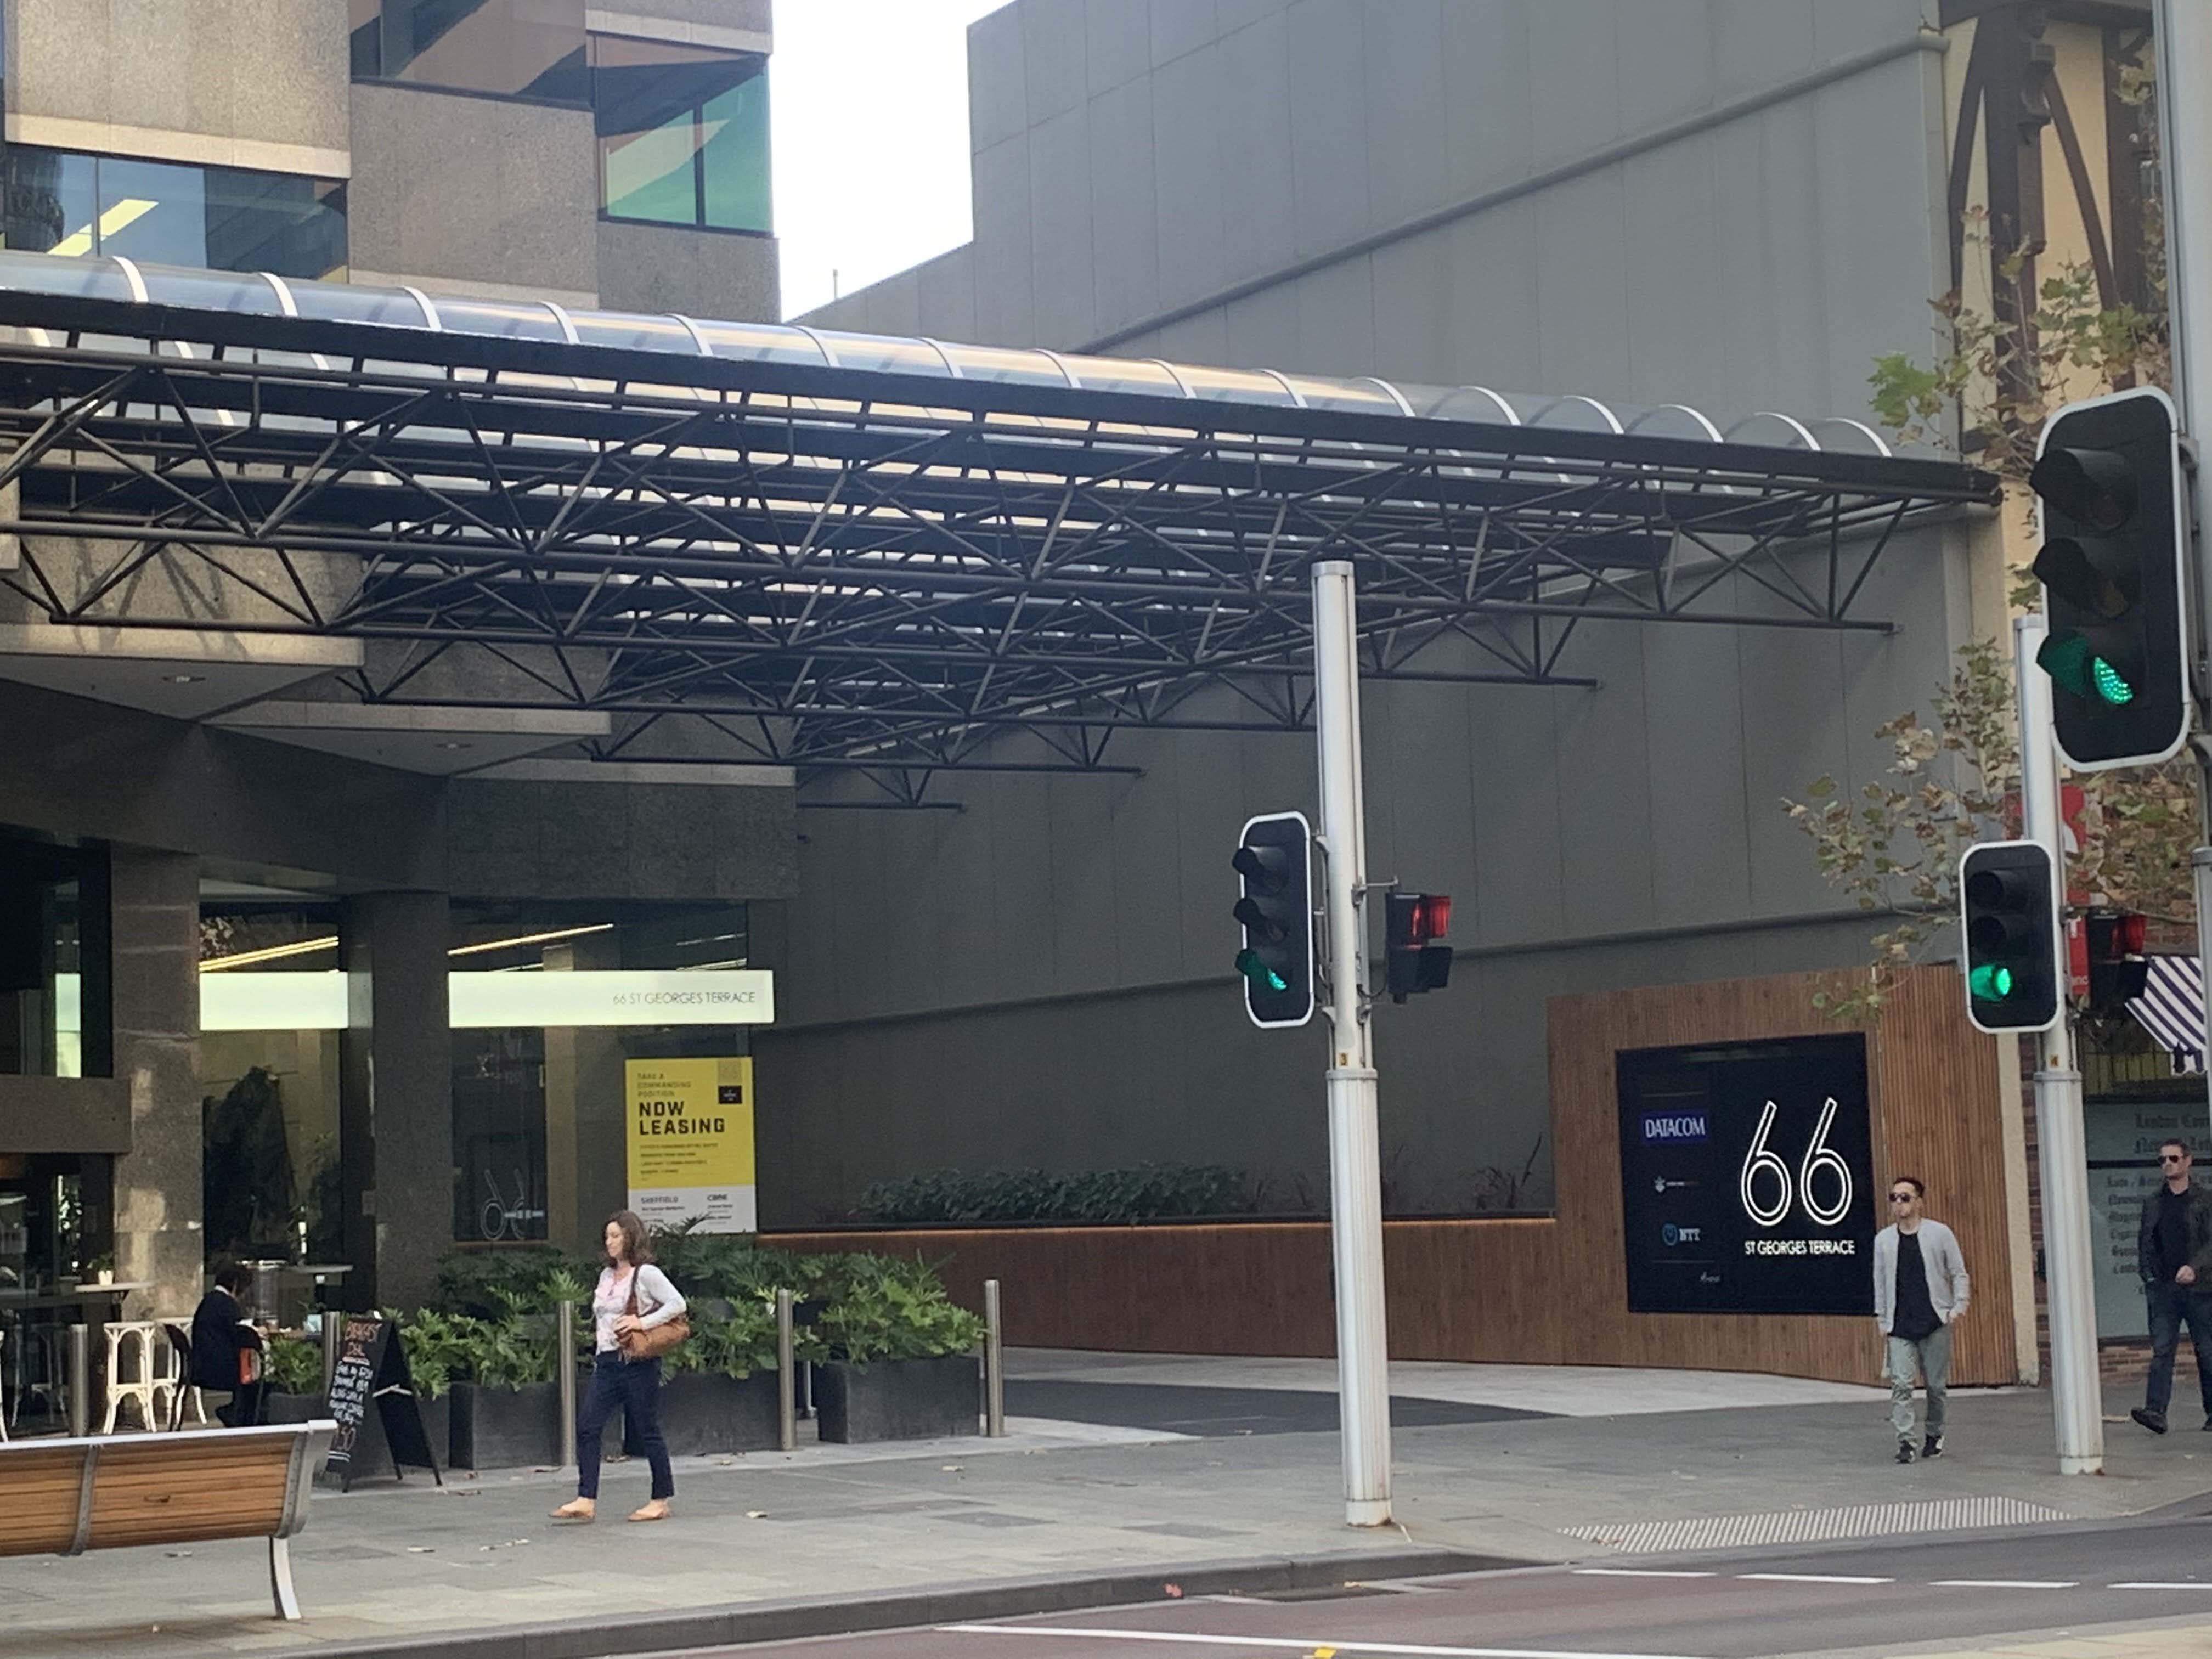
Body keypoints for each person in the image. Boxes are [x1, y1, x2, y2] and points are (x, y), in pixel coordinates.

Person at [551, 1211, 686, 1522]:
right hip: (607, 1361)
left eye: (616, 1236)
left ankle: (660, 1499)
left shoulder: (646, 1273)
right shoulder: (605, 1275)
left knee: (647, 1429)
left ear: (630, 1237)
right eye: (607, 1237)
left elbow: (677, 1304)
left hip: (637, 1362)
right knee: (588, 1426)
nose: (610, 1242)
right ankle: (586, 1498)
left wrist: (641, 1322)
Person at [1871, 1177, 1970, 1463]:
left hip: (1934, 1320)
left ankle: (1934, 1434)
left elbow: (1958, 1272)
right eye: (1894, 1197)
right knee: (1901, 1385)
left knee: (1936, 1387)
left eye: (1905, 1197)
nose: (1898, 1203)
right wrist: (1882, 1318)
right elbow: (1880, 1281)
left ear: (1919, 1202)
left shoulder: (1940, 1234)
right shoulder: (1884, 1240)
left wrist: (1958, 1307)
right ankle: (1906, 1442)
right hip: (1900, 1323)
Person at [2130, 1138, 2212, 1435]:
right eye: (2163, 1159)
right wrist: (2149, 1277)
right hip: (2164, 1289)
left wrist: (2195, 1268)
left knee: (2207, 1351)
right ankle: (2155, 1412)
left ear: (2188, 1161)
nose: (2168, 1164)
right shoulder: (2154, 1203)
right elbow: (2146, 1242)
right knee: (2162, 1350)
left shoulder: (2205, 1200)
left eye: (2174, 1158)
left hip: (2200, 1289)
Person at [188, 1262, 267, 1427]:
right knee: (259, 1379)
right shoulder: (226, 1304)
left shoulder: (209, 1301)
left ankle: (236, 1412)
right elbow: (240, 1334)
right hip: (220, 1368)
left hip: (203, 1364)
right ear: (236, 1284)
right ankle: (240, 1414)